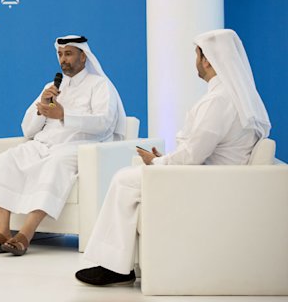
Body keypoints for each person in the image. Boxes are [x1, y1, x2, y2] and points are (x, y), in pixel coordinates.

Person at [76, 29, 271, 286]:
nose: (195, 61)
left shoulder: (218, 101)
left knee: (124, 179)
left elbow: (192, 155)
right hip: (217, 178)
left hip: (211, 183)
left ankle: (115, 267)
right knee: (130, 179)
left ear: (208, 60)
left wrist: (158, 162)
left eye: (197, 55)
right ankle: (117, 263)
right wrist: (166, 159)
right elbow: (202, 149)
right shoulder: (232, 96)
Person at [0, 35, 127, 256]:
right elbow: (27, 130)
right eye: (60, 54)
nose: (63, 59)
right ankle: (2, 232)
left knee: (56, 164)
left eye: (69, 54)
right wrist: (42, 106)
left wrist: (65, 115)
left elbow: (104, 123)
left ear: (83, 57)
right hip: (43, 145)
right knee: (5, 160)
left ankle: (25, 234)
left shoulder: (100, 85)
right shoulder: (51, 87)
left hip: (78, 147)